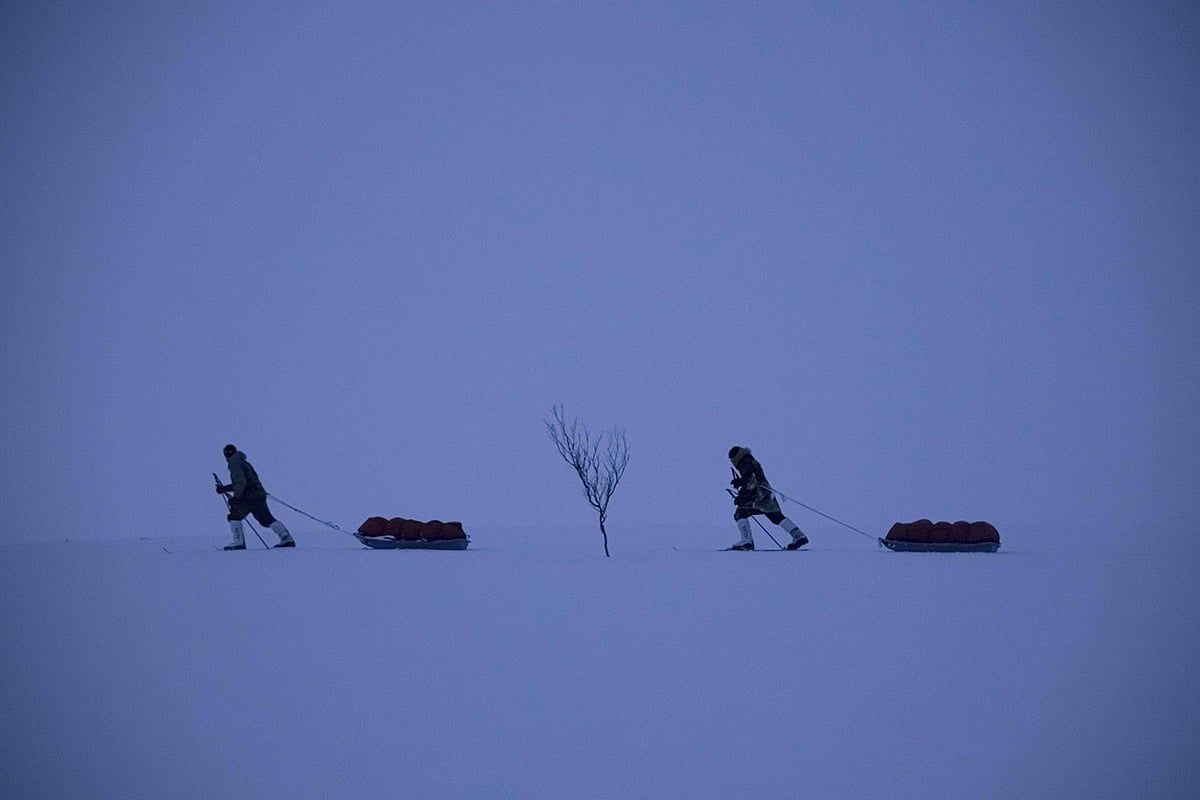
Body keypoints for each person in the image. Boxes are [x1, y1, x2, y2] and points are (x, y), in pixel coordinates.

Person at [728, 446, 808, 551]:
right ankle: (798, 535)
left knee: (740, 513)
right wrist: (740, 482)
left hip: (757, 496)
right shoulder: (750, 461)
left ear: (736, 458)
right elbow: (750, 479)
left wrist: (741, 497)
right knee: (776, 516)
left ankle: (747, 542)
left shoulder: (745, 463)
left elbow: (751, 482)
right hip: (767, 494)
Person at [217, 444, 295, 550]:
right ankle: (286, 538)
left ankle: (238, 542)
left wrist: (236, 498)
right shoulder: (244, 463)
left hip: (248, 497)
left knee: (234, 516)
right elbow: (243, 482)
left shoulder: (234, 464)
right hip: (258, 495)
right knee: (266, 519)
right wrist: (225, 488)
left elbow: (241, 483)